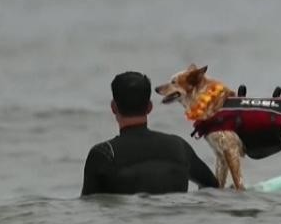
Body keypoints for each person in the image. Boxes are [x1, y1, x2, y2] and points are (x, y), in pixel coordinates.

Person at [81, 71, 219, 196]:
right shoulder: (179, 146)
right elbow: (212, 187)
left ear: (113, 107)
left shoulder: (104, 154)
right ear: (150, 107)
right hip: (176, 221)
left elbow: (88, 208)